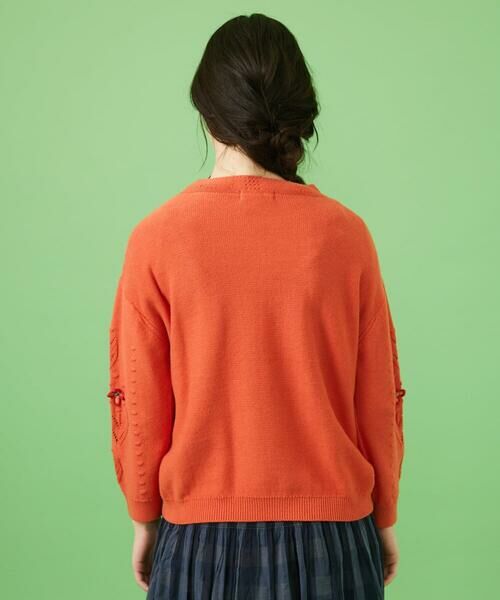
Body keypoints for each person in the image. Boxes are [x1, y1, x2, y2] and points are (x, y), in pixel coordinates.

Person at [106, 12, 407, 599]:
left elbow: (140, 403)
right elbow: (376, 394)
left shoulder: (157, 239)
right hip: (335, 536)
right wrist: (386, 516)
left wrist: (144, 517)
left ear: (207, 112)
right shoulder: (346, 236)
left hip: (199, 539)